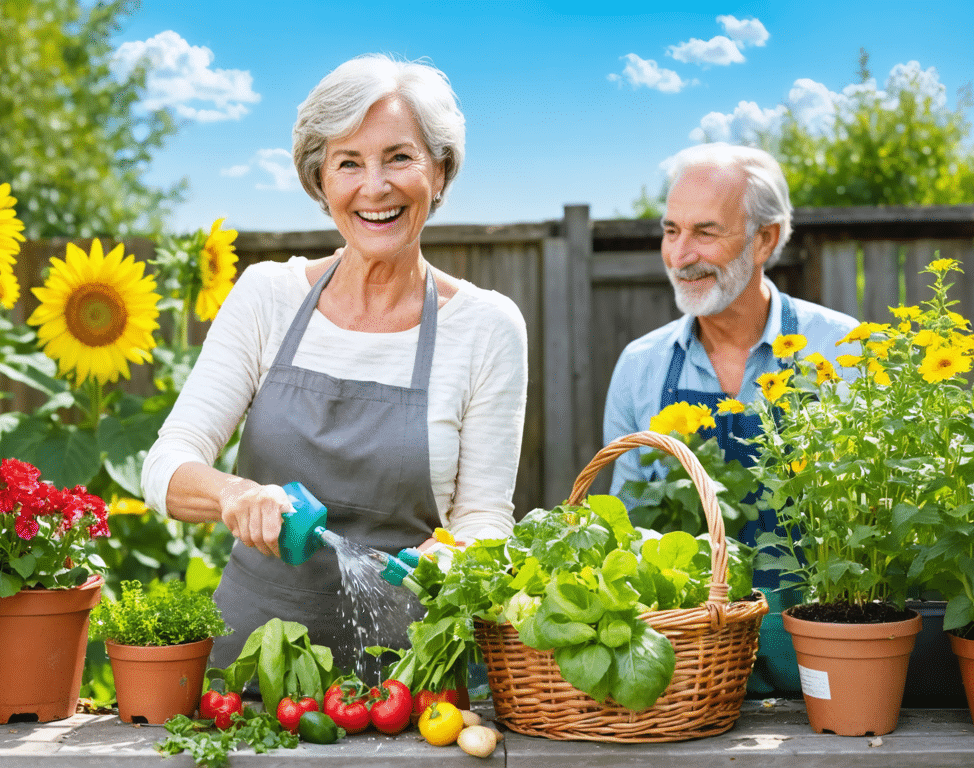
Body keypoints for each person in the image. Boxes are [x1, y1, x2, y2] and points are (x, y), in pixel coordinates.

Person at [141, 54, 528, 673]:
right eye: (348, 163)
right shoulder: (269, 295)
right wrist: (235, 495)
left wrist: (448, 558)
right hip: (248, 671)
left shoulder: (485, 326)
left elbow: (484, 520)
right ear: (321, 183)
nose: (374, 187)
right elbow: (165, 466)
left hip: (409, 675)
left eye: (399, 157)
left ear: (440, 173)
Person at [601, 142, 858, 695]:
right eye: (671, 231)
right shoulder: (641, 367)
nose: (680, 254)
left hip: (825, 652)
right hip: (688, 669)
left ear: (765, 238)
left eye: (705, 232)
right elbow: (623, 528)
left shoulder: (844, 351)